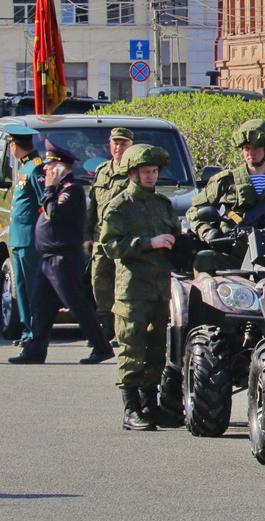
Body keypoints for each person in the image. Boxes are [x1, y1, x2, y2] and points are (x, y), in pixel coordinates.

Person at [7, 141, 115, 364]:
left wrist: (49, 188)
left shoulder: (72, 191)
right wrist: (51, 188)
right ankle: (34, 351)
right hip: (48, 258)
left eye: (50, 166)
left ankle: (101, 347)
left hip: (63, 257)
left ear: (60, 167)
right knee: (41, 305)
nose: (45, 169)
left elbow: (53, 212)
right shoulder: (57, 189)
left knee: (77, 304)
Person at [99, 144, 179, 431]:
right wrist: (148, 243)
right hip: (133, 290)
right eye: (145, 172)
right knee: (132, 347)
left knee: (157, 348)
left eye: (154, 171)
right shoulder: (120, 206)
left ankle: (150, 406)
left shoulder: (163, 205)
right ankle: (130, 409)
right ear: (132, 173)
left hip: (160, 287)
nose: (150, 176)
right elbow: (109, 245)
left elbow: (176, 239)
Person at [187, 119, 265, 274]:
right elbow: (194, 211)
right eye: (247, 148)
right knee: (204, 259)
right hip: (234, 255)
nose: (251, 153)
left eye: (256, 148)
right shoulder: (225, 181)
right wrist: (207, 232)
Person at [86, 128, 134, 342]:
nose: (118, 147)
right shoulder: (102, 170)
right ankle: (105, 328)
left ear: (131, 145)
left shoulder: (134, 172)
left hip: (122, 238)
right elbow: (93, 206)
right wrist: (87, 235)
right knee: (99, 281)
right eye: (115, 143)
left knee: (121, 284)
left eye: (123, 143)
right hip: (100, 238)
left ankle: (119, 329)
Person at [3, 124, 43, 347]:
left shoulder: (36, 167)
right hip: (18, 238)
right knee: (20, 287)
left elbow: (43, 204)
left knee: (32, 287)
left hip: (30, 238)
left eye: (10, 143)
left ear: (15, 144)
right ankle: (27, 331)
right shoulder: (23, 167)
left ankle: (35, 331)